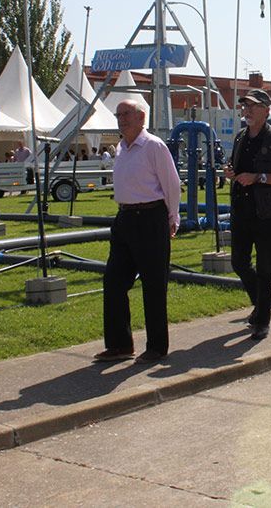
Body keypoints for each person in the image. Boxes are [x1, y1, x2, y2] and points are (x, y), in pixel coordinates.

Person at [94, 99, 181, 364]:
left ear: (141, 117)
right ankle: (120, 344)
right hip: (125, 219)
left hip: (150, 217)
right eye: (119, 114)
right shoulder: (121, 148)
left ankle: (156, 346)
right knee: (113, 282)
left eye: (127, 114)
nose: (122, 119)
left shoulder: (153, 145)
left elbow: (172, 183)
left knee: (154, 285)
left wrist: (172, 216)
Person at [226, 89, 271, 341]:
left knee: (266, 268)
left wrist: (259, 178)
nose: (247, 110)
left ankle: (262, 321)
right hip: (242, 211)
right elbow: (238, 168)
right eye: (245, 106)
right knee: (239, 262)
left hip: (267, 214)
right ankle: (262, 303)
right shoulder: (240, 138)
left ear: (266, 110)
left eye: (253, 106)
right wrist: (231, 172)